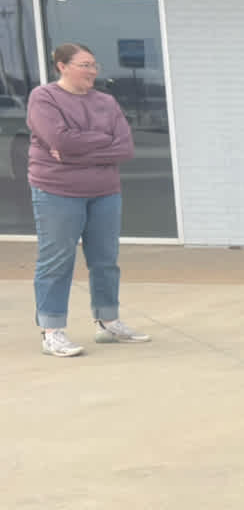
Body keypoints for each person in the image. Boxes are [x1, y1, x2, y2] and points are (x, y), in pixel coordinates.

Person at [26, 42, 150, 357]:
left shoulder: (106, 102)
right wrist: (98, 143)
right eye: (84, 65)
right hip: (57, 191)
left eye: (94, 65)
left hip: (105, 192)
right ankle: (52, 331)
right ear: (62, 66)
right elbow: (58, 139)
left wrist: (73, 153)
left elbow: (124, 149)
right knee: (56, 261)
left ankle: (108, 322)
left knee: (105, 260)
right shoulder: (45, 98)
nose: (92, 71)